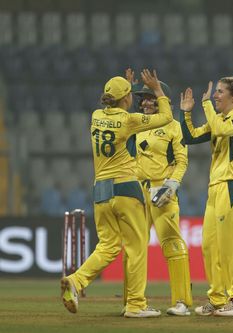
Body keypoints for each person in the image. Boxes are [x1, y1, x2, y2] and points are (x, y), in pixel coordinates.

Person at [60, 70, 173, 318]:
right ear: (126, 99)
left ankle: (76, 281)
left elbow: (118, 103)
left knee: (108, 246)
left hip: (100, 191)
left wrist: (127, 86)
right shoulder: (129, 120)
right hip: (126, 188)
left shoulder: (96, 115)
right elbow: (166, 117)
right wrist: (157, 90)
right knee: (136, 247)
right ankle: (135, 305)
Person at [120, 68, 193, 316]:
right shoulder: (136, 123)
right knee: (133, 247)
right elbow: (119, 118)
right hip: (136, 190)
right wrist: (126, 90)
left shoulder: (173, 127)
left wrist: (172, 184)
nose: (147, 102)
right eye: (143, 98)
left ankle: (182, 302)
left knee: (172, 243)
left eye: (151, 97)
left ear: (163, 101)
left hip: (162, 189)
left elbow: (182, 161)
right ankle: (132, 302)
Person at [179, 77, 233, 317]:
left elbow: (220, 129)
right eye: (215, 92)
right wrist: (186, 114)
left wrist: (205, 104)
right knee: (210, 247)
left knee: (229, 247)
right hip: (216, 189)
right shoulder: (219, 119)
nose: (215, 95)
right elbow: (189, 137)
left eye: (220, 92)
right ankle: (219, 299)